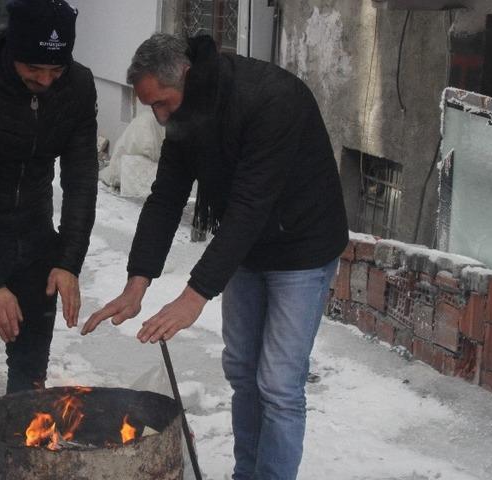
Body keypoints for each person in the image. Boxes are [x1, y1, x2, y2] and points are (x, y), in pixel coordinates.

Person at [81, 33, 349, 479]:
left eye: (163, 103)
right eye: (151, 106)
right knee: (243, 373)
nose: (160, 117)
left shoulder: (271, 99)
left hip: (302, 247)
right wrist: (137, 281)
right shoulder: (188, 112)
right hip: (248, 247)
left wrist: (194, 297)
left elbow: (249, 207)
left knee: (279, 386)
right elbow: (166, 196)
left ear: (186, 74)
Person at [0, 0, 97, 478]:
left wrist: (67, 261)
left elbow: (82, 178)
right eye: (35, 68)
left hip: (35, 245)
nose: (46, 80)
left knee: (29, 374)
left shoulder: (78, 84)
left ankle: (19, 469)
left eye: (56, 68)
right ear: (11, 52)